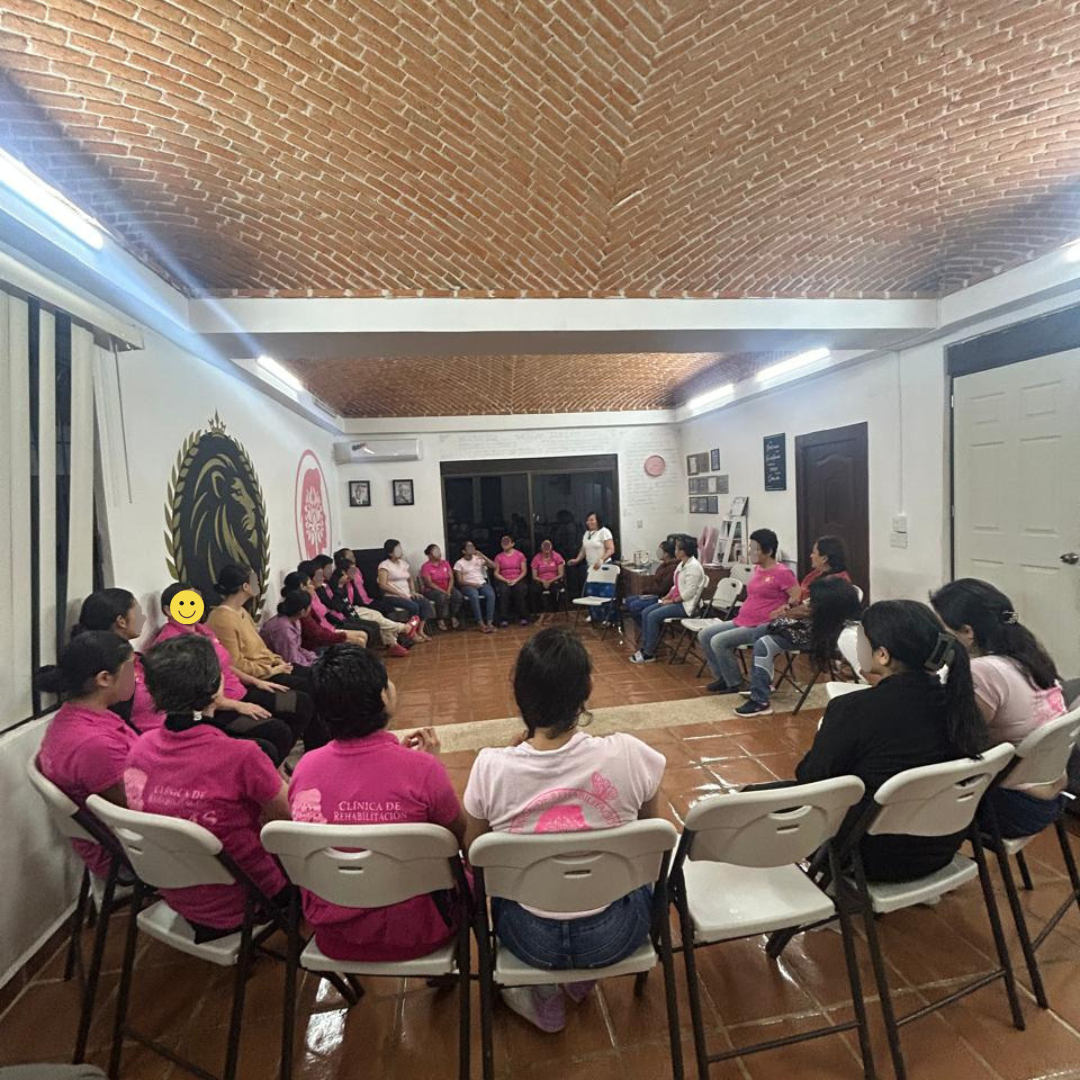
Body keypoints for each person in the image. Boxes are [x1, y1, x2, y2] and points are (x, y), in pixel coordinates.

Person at [464, 628, 666, 1033]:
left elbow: (474, 854)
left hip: (528, 939)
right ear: (586, 689)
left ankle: (541, 991)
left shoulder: (490, 767)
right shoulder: (630, 754)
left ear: (519, 694)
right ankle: (581, 977)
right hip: (617, 935)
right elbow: (651, 844)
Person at [289, 645, 468, 961]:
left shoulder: (305, 768)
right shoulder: (423, 769)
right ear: (383, 697)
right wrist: (424, 766)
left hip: (335, 934)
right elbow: (458, 837)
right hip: (419, 931)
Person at [795, 600, 989, 882]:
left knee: (760, 801)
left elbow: (811, 780)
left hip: (868, 857)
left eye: (861, 640)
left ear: (882, 655)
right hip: (941, 848)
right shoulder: (960, 706)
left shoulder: (853, 709)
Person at [127, 635, 293, 940]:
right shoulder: (241, 756)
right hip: (251, 898)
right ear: (216, 686)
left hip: (177, 891)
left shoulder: (140, 748)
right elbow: (292, 819)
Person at [931, 579, 1068, 838]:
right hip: (1051, 794)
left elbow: (960, 739)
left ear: (967, 631)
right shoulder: (1029, 655)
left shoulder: (982, 671)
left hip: (1012, 808)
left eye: (943, 629)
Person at [151, 583, 301, 765]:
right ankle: (273, 772)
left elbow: (226, 665)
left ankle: (281, 767)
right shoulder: (171, 644)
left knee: (299, 703)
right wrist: (236, 705)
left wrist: (256, 681)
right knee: (277, 730)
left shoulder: (202, 630)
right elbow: (192, 695)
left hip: (240, 689)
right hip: (218, 707)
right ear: (168, 610)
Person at [37, 632, 138, 878]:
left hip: (124, 836)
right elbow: (137, 808)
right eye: (130, 669)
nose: (136, 677)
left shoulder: (72, 716)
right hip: (132, 853)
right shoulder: (95, 745)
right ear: (104, 678)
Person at [206, 563, 328, 750]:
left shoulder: (241, 611)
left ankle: (320, 746)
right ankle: (313, 749)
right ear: (245, 586)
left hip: (270, 669)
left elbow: (260, 649)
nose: (258, 584)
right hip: (254, 680)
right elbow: (236, 664)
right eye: (254, 580)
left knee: (318, 679)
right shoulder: (221, 619)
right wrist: (272, 670)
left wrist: (277, 661)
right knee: (304, 697)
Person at [735, 576, 863, 716]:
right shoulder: (827, 590)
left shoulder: (840, 613)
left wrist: (790, 614)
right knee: (761, 629)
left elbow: (810, 616)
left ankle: (760, 702)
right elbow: (803, 609)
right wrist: (789, 612)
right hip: (811, 629)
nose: (811, 601)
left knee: (763, 644)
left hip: (820, 637)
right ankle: (762, 684)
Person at [697, 529, 799, 693]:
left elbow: (796, 595)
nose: (750, 552)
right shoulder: (757, 569)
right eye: (750, 547)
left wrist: (785, 606)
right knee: (704, 635)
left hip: (762, 625)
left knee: (718, 641)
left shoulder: (782, 572)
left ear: (768, 551)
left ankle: (735, 683)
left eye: (754, 548)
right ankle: (723, 677)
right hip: (743, 619)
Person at [71, 589, 156, 730]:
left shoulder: (137, 660)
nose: (143, 618)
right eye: (138, 613)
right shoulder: (110, 672)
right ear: (121, 621)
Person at [629, 535, 706, 664]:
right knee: (646, 612)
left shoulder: (694, 567)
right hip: (677, 601)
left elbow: (688, 593)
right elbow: (676, 586)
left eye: (676, 548)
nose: (674, 551)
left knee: (653, 616)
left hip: (686, 606)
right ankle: (646, 646)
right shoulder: (682, 564)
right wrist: (667, 597)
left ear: (683, 551)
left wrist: (672, 601)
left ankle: (649, 653)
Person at [771, 535, 853, 619]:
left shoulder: (837, 583)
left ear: (824, 558)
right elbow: (802, 599)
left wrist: (784, 614)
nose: (811, 556)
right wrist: (789, 606)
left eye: (814, 552)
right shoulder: (817, 573)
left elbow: (809, 610)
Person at [377, 540, 434, 639]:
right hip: (392, 596)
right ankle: (411, 632)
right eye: (397, 549)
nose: (401, 551)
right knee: (414, 606)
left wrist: (413, 591)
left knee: (425, 603)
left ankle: (420, 630)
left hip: (407, 594)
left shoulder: (403, 563)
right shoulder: (384, 565)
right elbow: (382, 585)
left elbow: (410, 578)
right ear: (390, 553)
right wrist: (399, 593)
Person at [624, 539, 678, 628]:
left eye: (660, 550)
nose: (657, 552)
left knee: (634, 606)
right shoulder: (663, 565)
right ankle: (647, 628)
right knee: (629, 600)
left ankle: (651, 628)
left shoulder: (672, 568)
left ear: (666, 554)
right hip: (653, 594)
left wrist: (646, 590)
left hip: (661, 597)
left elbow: (663, 589)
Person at [454, 541, 497, 632]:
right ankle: (480, 623)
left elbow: (494, 566)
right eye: (469, 547)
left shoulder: (478, 558)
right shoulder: (459, 563)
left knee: (491, 594)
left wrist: (483, 556)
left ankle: (489, 622)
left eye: (472, 546)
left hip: (481, 583)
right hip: (467, 585)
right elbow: (460, 581)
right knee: (474, 595)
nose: (472, 548)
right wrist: (472, 584)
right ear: (464, 551)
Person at [419, 543, 464, 631]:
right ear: (429, 555)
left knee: (458, 595)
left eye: (439, 551)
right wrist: (444, 592)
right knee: (441, 597)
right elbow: (429, 583)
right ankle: (440, 619)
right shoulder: (426, 566)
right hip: (431, 590)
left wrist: (449, 590)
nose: (439, 554)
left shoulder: (445, 563)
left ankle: (453, 616)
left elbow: (451, 578)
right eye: (435, 552)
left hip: (447, 587)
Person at [493, 534, 529, 626]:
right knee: (503, 592)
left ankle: (523, 617)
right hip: (504, 579)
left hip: (518, 578)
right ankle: (504, 618)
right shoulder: (498, 557)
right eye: (503, 542)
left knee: (520, 590)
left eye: (507, 542)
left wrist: (516, 580)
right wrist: (505, 580)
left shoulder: (520, 555)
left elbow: (524, 571)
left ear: (512, 544)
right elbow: (496, 572)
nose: (505, 544)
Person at [530, 539, 566, 620]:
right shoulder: (536, 558)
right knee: (535, 590)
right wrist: (543, 581)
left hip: (554, 580)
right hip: (541, 580)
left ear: (551, 547)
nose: (546, 548)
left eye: (548, 546)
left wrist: (550, 581)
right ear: (541, 548)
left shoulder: (557, 556)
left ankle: (553, 612)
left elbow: (561, 574)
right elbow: (534, 576)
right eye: (544, 546)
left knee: (555, 590)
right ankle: (541, 613)